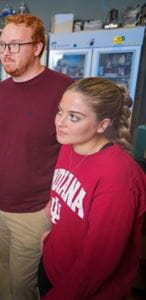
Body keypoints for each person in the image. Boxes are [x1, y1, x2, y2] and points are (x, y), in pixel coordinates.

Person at [0, 14, 74, 300]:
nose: (5, 53)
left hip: (36, 209)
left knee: (20, 287)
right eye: (2, 45)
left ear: (37, 47)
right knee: (8, 267)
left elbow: (77, 149)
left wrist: (56, 202)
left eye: (14, 45)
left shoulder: (65, 89)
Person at [39, 77, 146, 299]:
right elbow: (68, 192)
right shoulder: (70, 145)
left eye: (74, 117)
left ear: (103, 124)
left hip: (85, 289)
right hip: (54, 266)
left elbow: (97, 263)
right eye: (60, 111)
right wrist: (52, 237)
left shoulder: (119, 178)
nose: (60, 122)